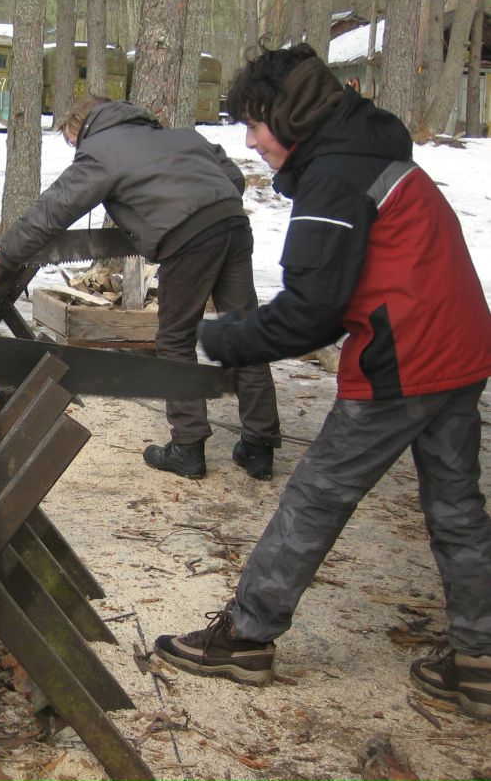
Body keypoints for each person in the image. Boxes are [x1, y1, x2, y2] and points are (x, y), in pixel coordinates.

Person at [153, 43, 491, 722]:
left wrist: (225, 338)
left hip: (407, 357)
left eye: (255, 123)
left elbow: (312, 311)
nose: (249, 141)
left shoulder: (337, 175)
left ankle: (246, 637)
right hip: (460, 347)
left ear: (290, 116)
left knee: (314, 498)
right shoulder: (365, 152)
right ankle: (480, 661)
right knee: (457, 510)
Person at [0, 95, 280, 480]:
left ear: (81, 128)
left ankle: (188, 447)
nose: (77, 150)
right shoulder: (180, 136)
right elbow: (234, 179)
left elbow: (53, 209)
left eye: (73, 142)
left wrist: (8, 252)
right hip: (234, 225)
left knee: (174, 341)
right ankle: (259, 447)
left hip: (189, 241)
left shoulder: (102, 149)